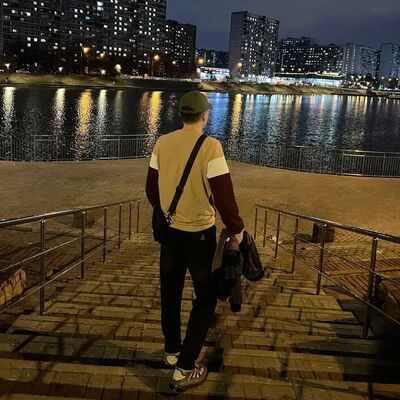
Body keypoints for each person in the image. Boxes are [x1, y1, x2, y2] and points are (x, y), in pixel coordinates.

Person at [146, 91, 244, 391]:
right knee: (206, 298)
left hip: (170, 234)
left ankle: (172, 352)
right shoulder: (211, 146)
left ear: (181, 115)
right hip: (201, 236)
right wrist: (237, 229)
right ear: (204, 116)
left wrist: (170, 210)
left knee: (170, 293)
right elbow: (224, 197)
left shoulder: (162, 143)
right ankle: (185, 368)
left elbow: (152, 190)